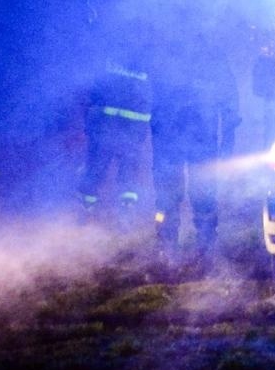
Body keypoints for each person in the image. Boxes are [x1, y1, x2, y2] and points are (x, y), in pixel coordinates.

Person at [149, 25, 240, 265]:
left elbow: (230, 106)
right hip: (177, 143)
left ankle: (201, 249)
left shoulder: (205, 61)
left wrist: (227, 143)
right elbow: (150, 98)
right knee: (175, 197)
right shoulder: (173, 60)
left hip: (191, 142)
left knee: (199, 197)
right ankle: (174, 250)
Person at [78, 35, 152, 229]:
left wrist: (91, 126)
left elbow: (94, 95)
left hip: (105, 130)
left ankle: (87, 214)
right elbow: (149, 103)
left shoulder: (108, 63)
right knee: (126, 175)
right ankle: (125, 215)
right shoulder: (146, 67)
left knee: (95, 170)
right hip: (130, 133)